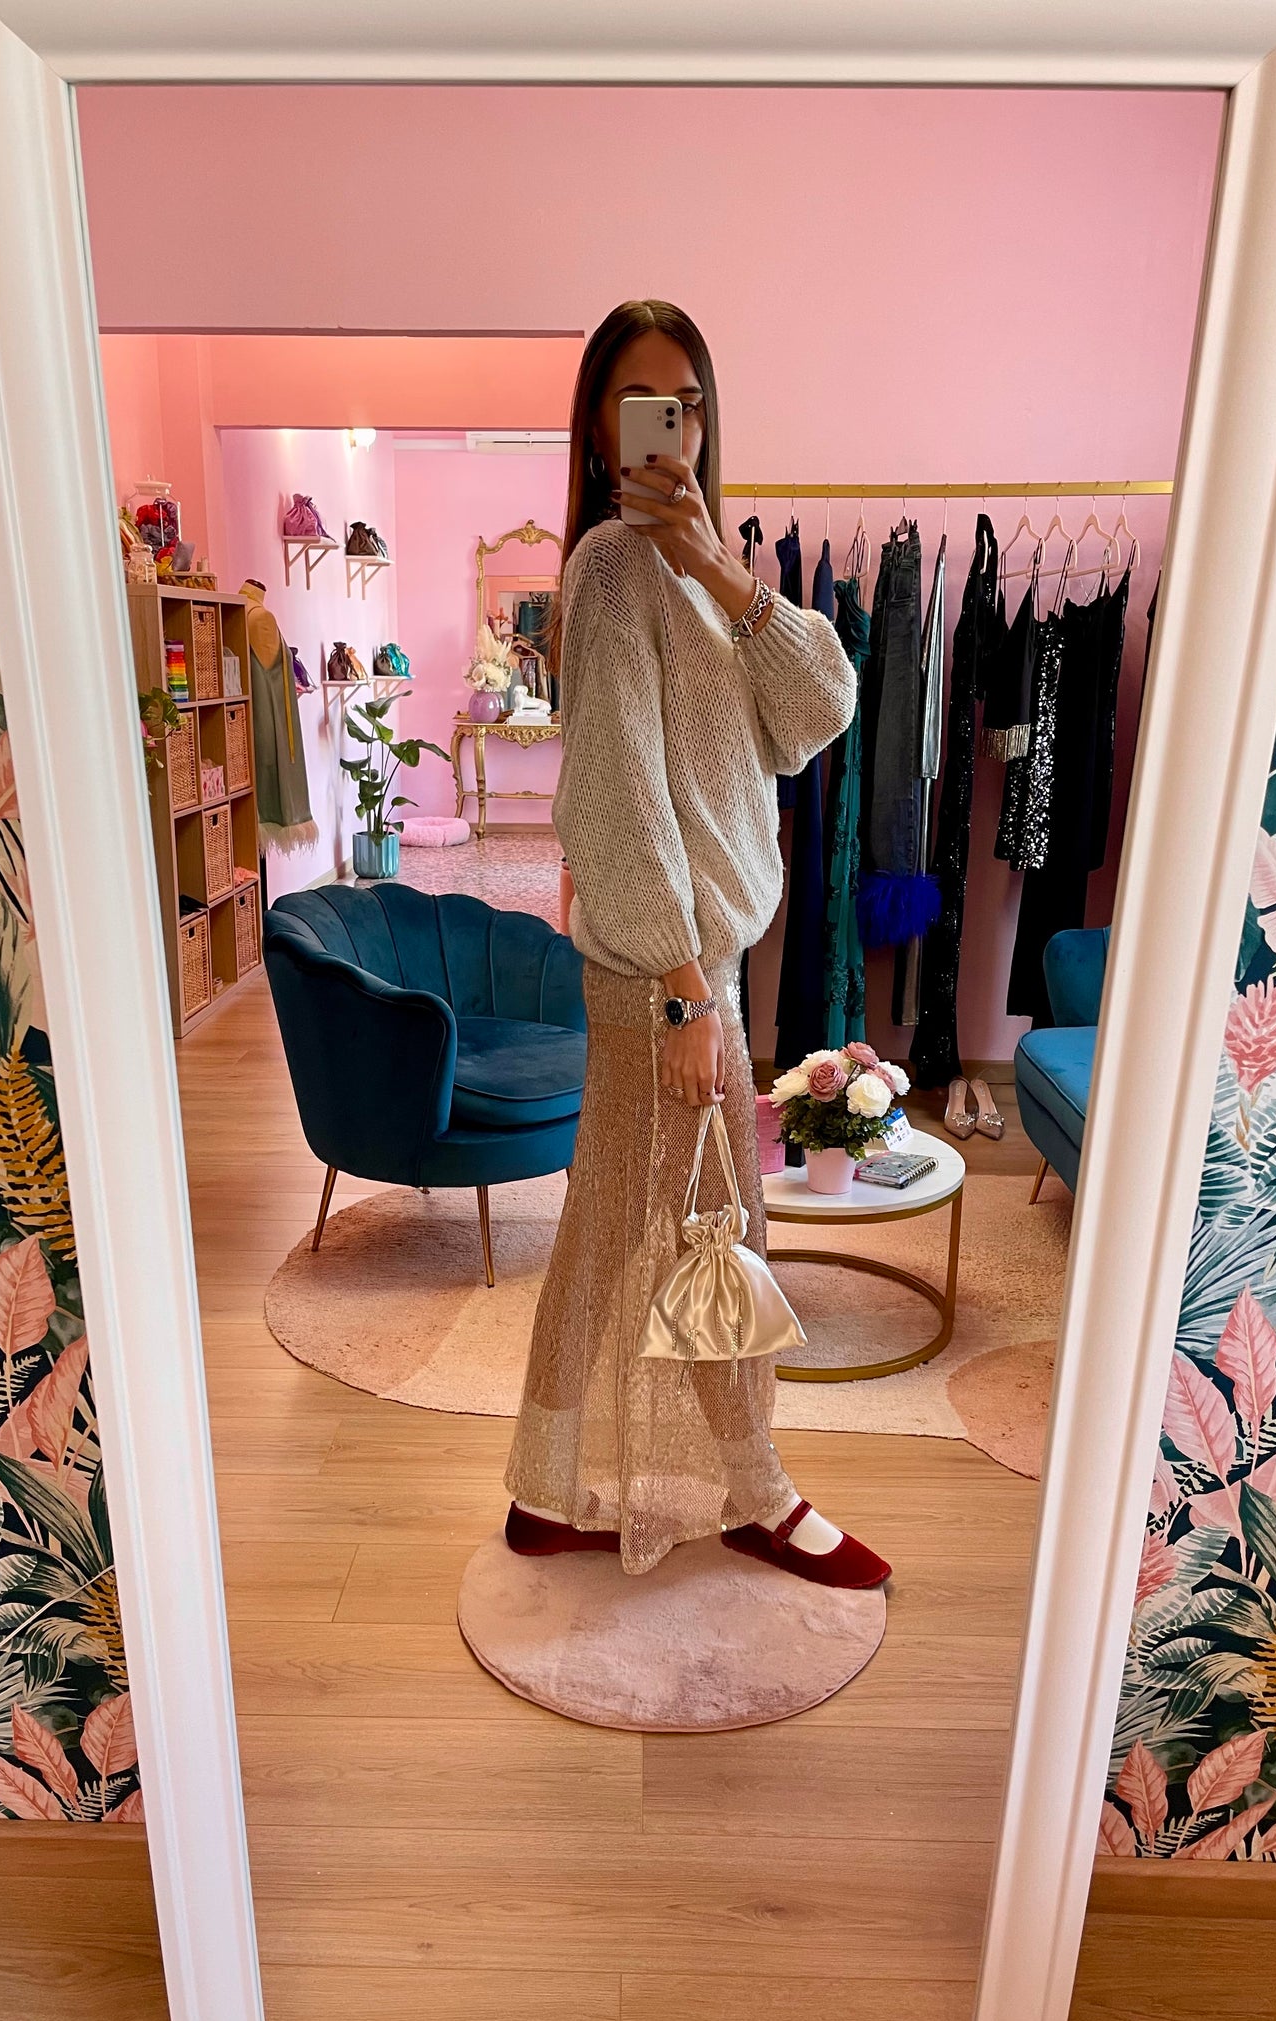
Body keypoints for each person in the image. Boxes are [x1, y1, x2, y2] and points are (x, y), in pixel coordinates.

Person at [502, 300, 891, 1589]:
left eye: (690, 405)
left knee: (617, 1229)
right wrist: (684, 996)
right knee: (713, 1228)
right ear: (601, 430)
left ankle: (546, 1487)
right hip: (663, 978)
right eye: (645, 406)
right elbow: (619, 790)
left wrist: (725, 572)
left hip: (690, 970)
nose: (674, 432)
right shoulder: (611, 570)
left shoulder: (707, 577)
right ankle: (758, 1493)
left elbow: (823, 707)